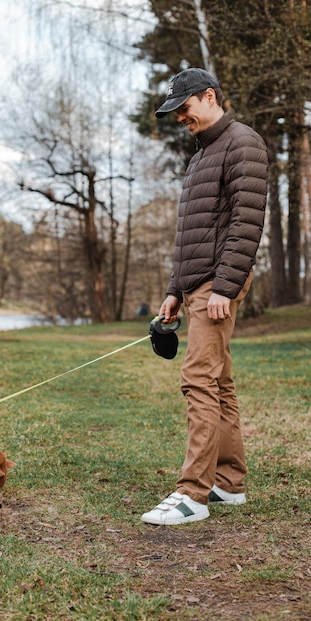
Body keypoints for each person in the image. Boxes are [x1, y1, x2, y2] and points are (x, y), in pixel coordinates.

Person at [141, 68, 268, 525]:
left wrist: (225, 286)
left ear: (208, 95)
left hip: (218, 283)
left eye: (184, 108)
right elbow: (190, 235)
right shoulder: (201, 156)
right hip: (196, 285)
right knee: (219, 382)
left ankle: (192, 494)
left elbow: (245, 222)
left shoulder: (243, 143)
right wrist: (175, 290)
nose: (180, 118)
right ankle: (228, 484)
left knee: (197, 380)